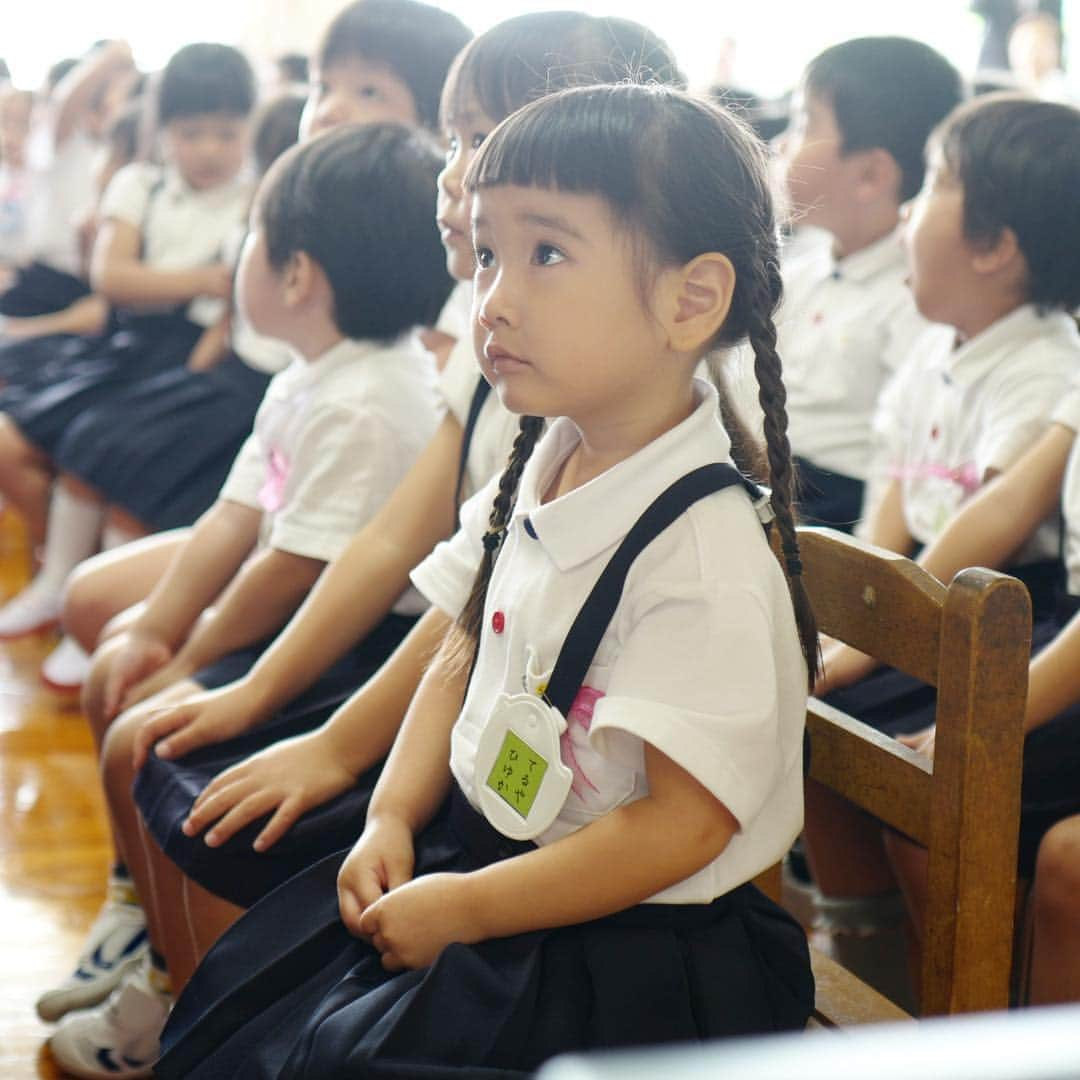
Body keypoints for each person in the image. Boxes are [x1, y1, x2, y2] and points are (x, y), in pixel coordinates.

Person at [155, 80, 817, 1079]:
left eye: (546, 253)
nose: (492, 297)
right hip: (500, 867)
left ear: (691, 299)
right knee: (252, 1011)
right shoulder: (552, 452)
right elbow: (464, 646)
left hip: (628, 957)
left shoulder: (702, 553)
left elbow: (683, 824)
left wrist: (466, 907)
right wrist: (390, 810)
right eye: (490, 253)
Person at [46, 120, 453, 1079]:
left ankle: (161, 972)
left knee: (142, 723)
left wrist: (189, 661)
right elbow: (237, 518)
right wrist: (156, 627)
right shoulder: (310, 375)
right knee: (122, 664)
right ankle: (133, 907)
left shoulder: (370, 398)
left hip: (346, 654)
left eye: (252, 238)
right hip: (295, 622)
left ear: (298, 274)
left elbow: (291, 572)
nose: (240, 258)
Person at [802, 94, 1080, 960]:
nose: (912, 212)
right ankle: (863, 946)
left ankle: (959, 999)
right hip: (949, 595)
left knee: (928, 802)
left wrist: (881, 647)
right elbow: (896, 499)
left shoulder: (1044, 362)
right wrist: (861, 625)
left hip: (1015, 613)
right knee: (810, 716)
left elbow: (992, 522)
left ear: (998, 247)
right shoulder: (933, 350)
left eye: (936, 189)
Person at [0, 41, 254, 599]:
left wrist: (163, 283)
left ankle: (83, 591)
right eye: (192, 134)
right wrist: (207, 277)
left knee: (107, 449)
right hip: (122, 344)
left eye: (226, 134)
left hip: (187, 357)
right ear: (163, 130)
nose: (210, 150)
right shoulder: (142, 183)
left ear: (249, 129)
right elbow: (113, 278)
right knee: (16, 439)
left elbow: (223, 315)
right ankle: (57, 576)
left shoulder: (253, 198)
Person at [769, 37, 962, 531]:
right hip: (767, 468)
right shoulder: (802, 259)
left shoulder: (917, 297)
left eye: (803, 123)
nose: (781, 145)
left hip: (836, 503)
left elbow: (899, 450)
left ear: (870, 175)